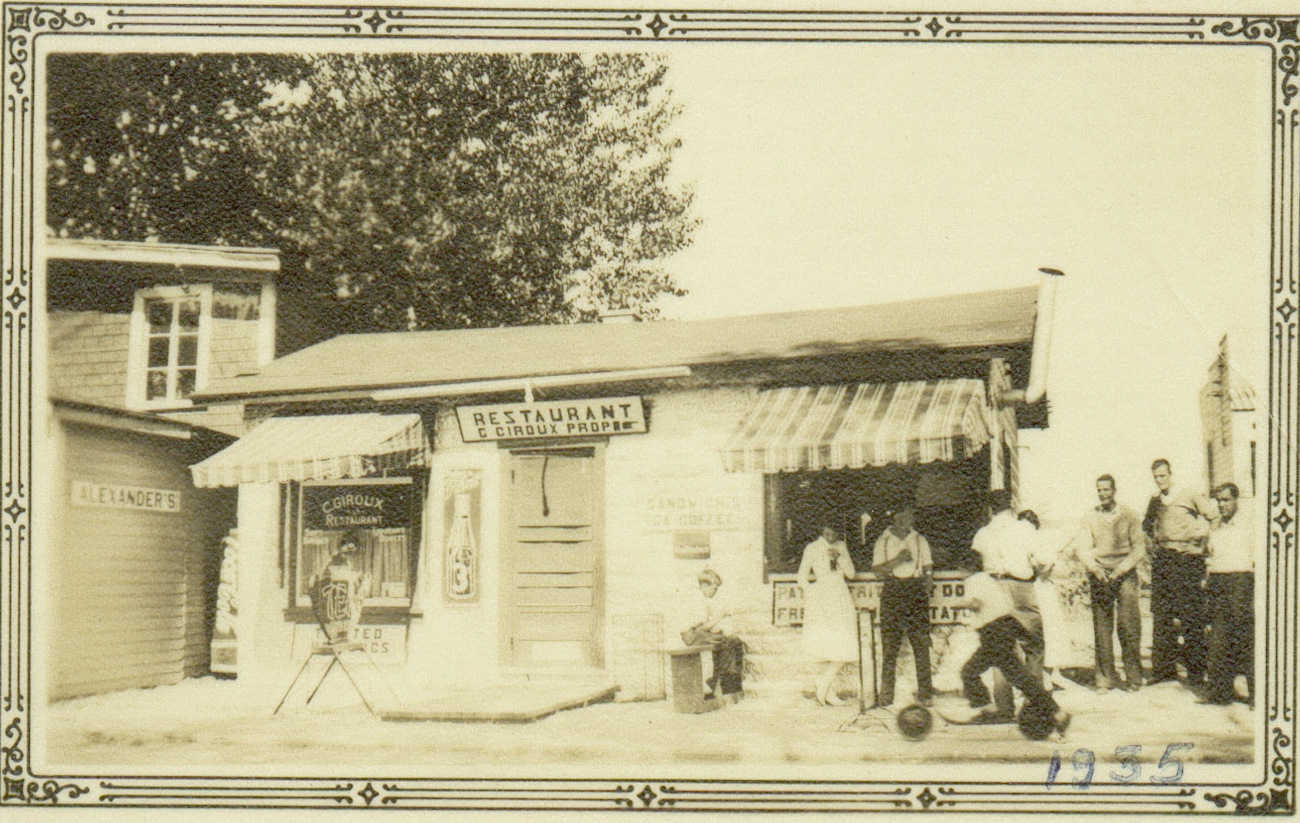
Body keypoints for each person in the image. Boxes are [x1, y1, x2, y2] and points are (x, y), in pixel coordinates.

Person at [952, 558, 1071, 735]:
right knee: (1018, 677)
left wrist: (957, 605)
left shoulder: (973, 580)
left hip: (993, 632)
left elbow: (975, 604)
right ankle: (1056, 712)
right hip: (1003, 628)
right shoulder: (987, 579)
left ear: (965, 567)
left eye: (959, 570)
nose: (959, 574)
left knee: (970, 672)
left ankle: (988, 710)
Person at [1146, 458, 1218, 688]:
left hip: (1188, 560)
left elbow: (1213, 516)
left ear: (1171, 474)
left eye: (1163, 475)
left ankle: (1196, 672)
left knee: (1191, 615)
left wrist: (1201, 541)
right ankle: (1164, 670)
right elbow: (1146, 527)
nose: (1160, 480)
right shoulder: (1155, 501)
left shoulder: (1188, 494)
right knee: (1162, 615)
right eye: (1156, 476)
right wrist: (1152, 549)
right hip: (1164, 561)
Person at [971, 489, 1043, 716]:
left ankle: (1004, 706)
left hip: (994, 589)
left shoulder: (983, 533)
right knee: (1033, 645)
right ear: (1011, 504)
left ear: (991, 508)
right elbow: (1042, 559)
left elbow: (975, 563)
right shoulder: (1025, 528)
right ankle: (1035, 704)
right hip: (1022, 587)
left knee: (1000, 649)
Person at [1079, 475, 1146, 693]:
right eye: (1099, 490)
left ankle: (1134, 677)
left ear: (1114, 490)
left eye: (1107, 489)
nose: (1103, 493)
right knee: (1102, 628)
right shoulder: (1090, 516)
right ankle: (1104, 679)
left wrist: (1122, 569)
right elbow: (1083, 548)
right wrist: (1095, 569)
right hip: (1100, 575)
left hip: (1124, 573)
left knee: (1128, 626)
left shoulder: (1129, 515)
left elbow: (1139, 549)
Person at [871, 506, 934, 707]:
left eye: (909, 517)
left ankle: (925, 694)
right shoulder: (884, 541)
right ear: (894, 518)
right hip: (893, 591)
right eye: (901, 517)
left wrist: (927, 584)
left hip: (915, 591)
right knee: (890, 647)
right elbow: (878, 572)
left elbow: (928, 568)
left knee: (921, 645)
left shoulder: (919, 540)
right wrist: (898, 560)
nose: (905, 521)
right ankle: (886, 696)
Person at [1202, 483, 1254, 705]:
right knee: (1218, 638)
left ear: (1236, 500)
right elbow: (1210, 557)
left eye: (1226, 500)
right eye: (1219, 501)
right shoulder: (1215, 528)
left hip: (1240, 581)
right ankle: (1220, 692)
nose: (1222, 504)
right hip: (1218, 582)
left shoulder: (1248, 526)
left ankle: (1257, 695)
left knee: (1245, 637)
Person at [798, 525, 858, 706]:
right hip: (822, 598)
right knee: (826, 643)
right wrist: (812, 592)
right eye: (827, 533)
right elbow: (801, 576)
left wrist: (839, 558)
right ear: (821, 532)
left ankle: (823, 682)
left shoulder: (841, 546)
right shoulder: (813, 548)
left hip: (839, 594)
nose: (831, 537)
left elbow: (851, 574)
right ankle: (829, 692)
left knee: (845, 641)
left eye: (834, 533)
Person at [1019, 510, 1073, 692]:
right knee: (1031, 634)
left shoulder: (1040, 541)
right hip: (1028, 589)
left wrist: (1046, 565)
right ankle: (1033, 679)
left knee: (1052, 632)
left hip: (1043, 589)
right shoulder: (1018, 544)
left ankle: (1050, 675)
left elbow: (1049, 564)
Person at [682, 569, 746, 699]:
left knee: (732, 641)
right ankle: (721, 685)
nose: (715, 592)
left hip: (698, 633)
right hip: (691, 635)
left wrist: (716, 629)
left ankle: (722, 683)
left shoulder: (704, 600)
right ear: (704, 586)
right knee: (728, 642)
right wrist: (721, 616)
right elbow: (701, 627)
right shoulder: (697, 601)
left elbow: (706, 626)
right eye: (714, 589)